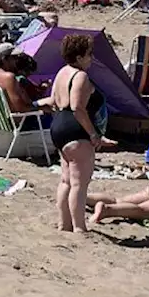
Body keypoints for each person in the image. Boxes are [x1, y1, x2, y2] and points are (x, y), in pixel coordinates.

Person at [48, 34, 112, 233]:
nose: (91, 58)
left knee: (66, 180)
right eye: (88, 54)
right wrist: (93, 134)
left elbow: (52, 101)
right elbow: (77, 107)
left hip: (58, 126)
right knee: (79, 184)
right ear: (78, 57)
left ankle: (64, 224)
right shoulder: (80, 76)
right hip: (75, 129)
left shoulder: (61, 73)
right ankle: (79, 227)